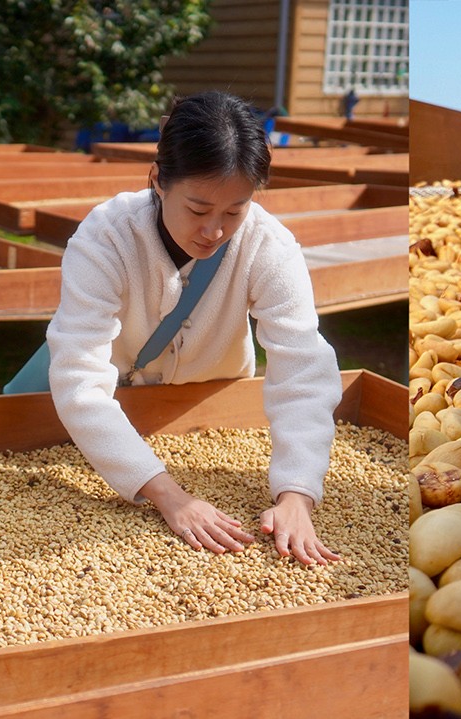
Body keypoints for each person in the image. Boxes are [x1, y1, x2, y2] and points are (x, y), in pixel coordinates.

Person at [45, 91, 343, 565]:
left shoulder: (269, 245)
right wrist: (169, 495)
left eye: (235, 211)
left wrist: (297, 493)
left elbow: (303, 368)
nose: (214, 231)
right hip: (116, 408)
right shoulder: (106, 237)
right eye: (198, 210)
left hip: (216, 408)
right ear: (158, 181)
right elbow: (79, 378)